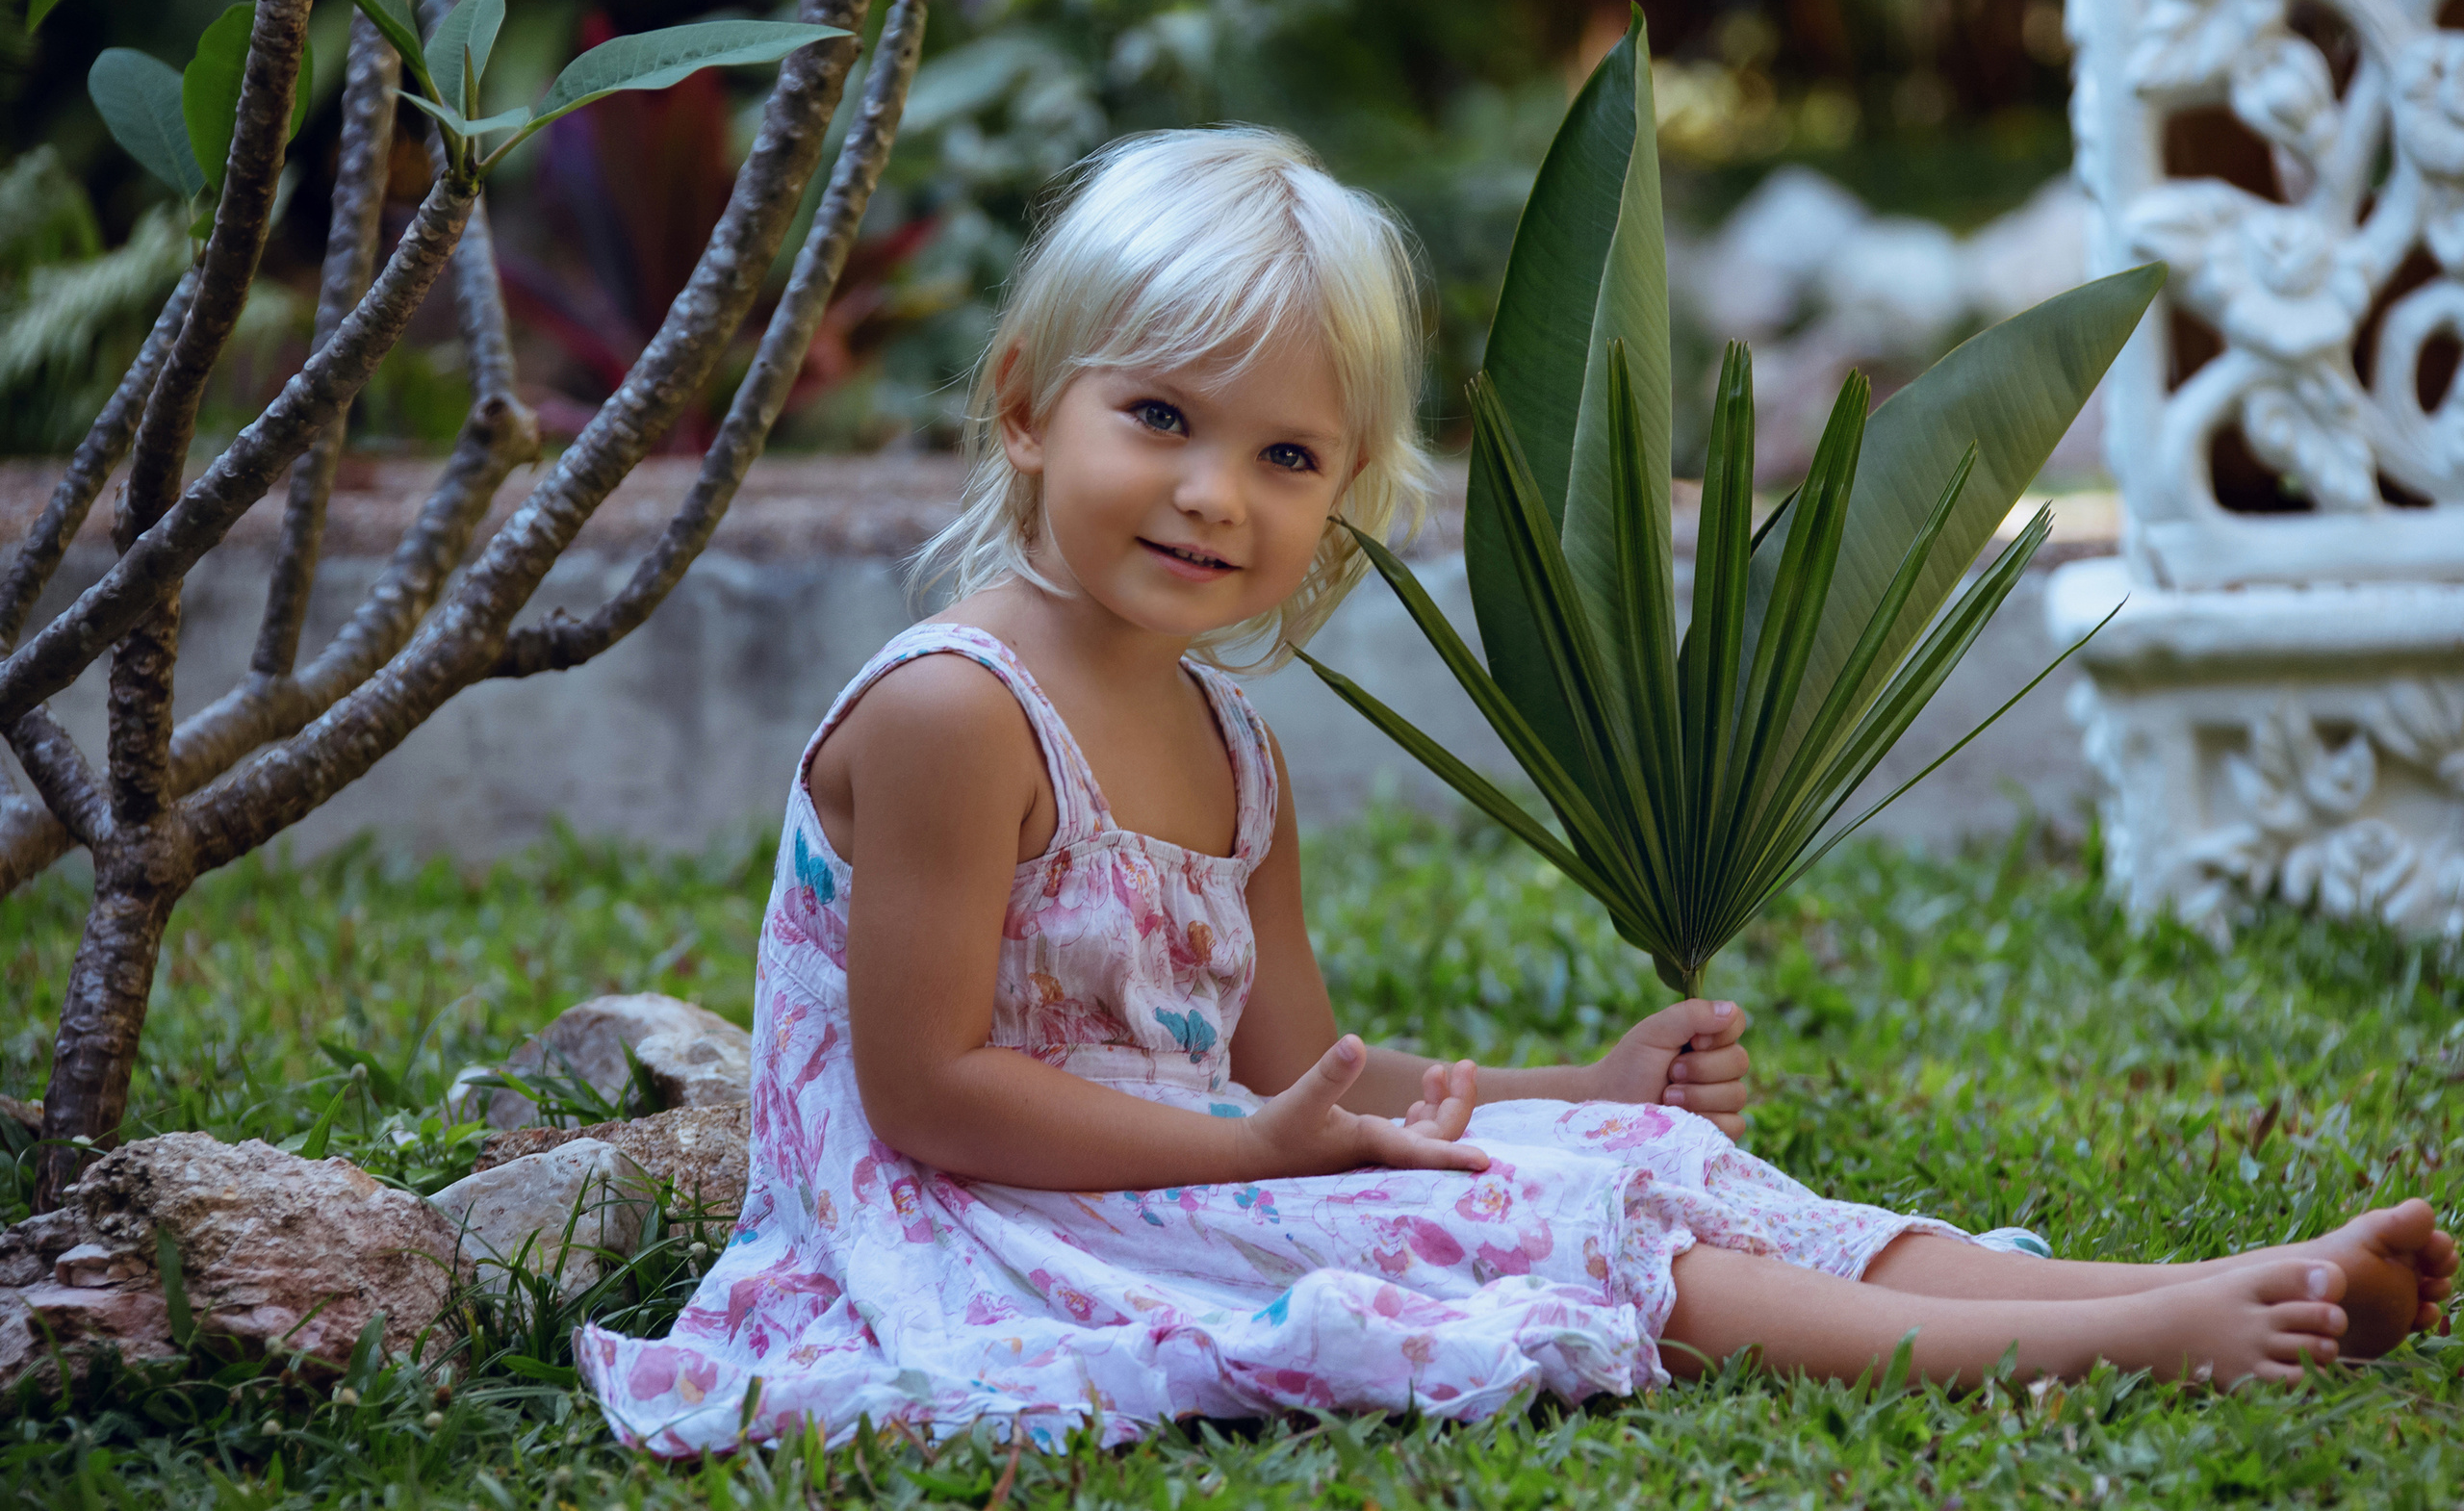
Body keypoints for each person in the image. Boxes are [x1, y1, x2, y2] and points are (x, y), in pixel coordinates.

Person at [578, 128, 2455, 1454]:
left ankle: (2191, 1272)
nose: (1209, 492)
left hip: (1182, 1172)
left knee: (1643, 1162)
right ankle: (2117, 1344)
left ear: (1342, 499)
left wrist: (1576, 1090)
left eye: (1282, 451)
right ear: (1022, 406)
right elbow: (929, 1099)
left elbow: (1301, 1078)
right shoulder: (951, 713)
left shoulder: (1234, 752)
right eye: (1155, 416)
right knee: (1532, 1228)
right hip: (987, 1227)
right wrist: (1261, 1156)